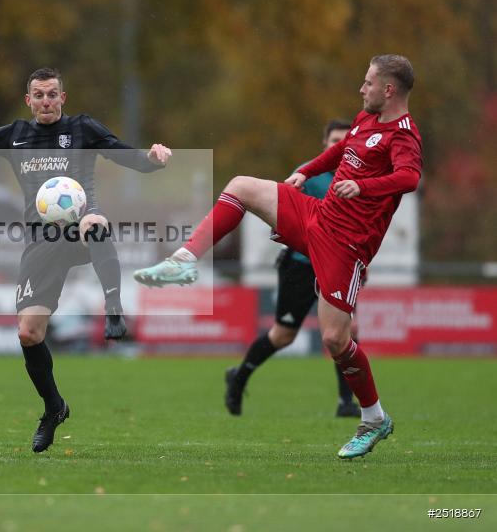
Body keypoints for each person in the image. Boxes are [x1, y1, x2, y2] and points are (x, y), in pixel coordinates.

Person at [135, 55, 421, 459]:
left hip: (346, 246)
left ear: (389, 90)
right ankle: (184, 258)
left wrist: (365, 187)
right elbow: (340, 153)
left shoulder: (404, 135)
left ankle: (374, 418)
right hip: (317, 217)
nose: (362, 88)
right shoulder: (365, 119)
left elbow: (409, 177)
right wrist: (306, 171)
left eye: (369, 83)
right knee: (241, 186)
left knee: (336, 339)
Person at [0, 67, 171, 452]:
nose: (46, 101)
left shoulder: (83, 128)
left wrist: (152, 158)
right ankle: (54, 408)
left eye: (52, 94)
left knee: (95, 221)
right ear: (28, 100)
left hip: (80, 229)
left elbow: (128, 156)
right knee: (28, 334)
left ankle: (114, 309)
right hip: (41, 242)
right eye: (39, 95)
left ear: (62, 98)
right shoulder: (14, 136)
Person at [223, 119, 363, 418]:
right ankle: (239, 377)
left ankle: (345, 402)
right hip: (300, 267)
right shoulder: (308, 174)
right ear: (325, 144)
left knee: (347, 331)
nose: (339, 145)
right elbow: (287, 213)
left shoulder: (357, 176)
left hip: (337, 267)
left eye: (344, 140)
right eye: (334, 140)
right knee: (283, 335)